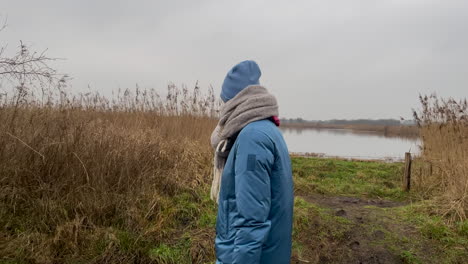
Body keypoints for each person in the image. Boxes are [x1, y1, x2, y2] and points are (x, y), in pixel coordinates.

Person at [210, 60, 294, 264]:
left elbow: (251, 221)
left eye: (224, 101)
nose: (222, 109)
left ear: (234, 101)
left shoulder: (252, 138)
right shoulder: (267, 129)